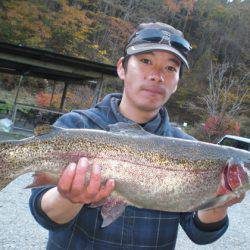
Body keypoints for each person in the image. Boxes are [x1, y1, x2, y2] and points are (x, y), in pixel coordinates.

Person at [29, 22, 245, 250]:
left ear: (177, 82)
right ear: (122, 68)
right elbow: (44, 214)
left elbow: (200, 234)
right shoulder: (75, 126)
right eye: (146, 61)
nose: (157, 75)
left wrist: (219, 201)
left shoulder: (191, 149)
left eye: (170, 69)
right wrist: (68, 197)